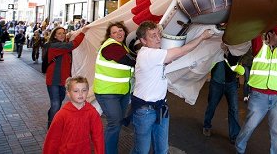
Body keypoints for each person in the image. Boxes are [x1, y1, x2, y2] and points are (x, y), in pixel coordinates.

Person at [131, 21, 214, 154]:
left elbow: (174, 56)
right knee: (141, 150)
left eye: (159, 34)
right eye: (153, 36)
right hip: (145, 111)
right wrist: (202, 37)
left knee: (162, 150)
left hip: (160, 108)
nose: (158, 39)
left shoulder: (157, 53)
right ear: (143, 40)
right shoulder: (148, 54)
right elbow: (180, 51)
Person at [235, 27, 277, 154]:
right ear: (270, 35)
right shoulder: (259, 49)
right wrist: (266, 21)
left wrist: (274, 23)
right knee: (249, 126)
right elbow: (255, 33)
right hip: (258, 97)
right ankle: (239, 147)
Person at [94, 21, 136, 154]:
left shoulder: (123, 47)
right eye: (114, 32)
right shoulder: (111, 46)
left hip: (122, 92)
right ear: (110, 35)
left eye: (120, 30)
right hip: (107, 92)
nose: (118, 33)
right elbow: (130, 61)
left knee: (116, 123)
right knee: (114, 123)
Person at [43, 76, 104, 154]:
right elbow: (52, 139)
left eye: (84, 90)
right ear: (68, 93)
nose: (80, 94)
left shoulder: (92, 112)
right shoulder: (62, 115)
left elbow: (98, 137)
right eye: (76, 91)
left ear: (88, 91)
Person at [44, 26, 87, 128]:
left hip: (63, 80)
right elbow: (72, 45)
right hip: (54, 80)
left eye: (63, 33)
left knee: (58, 103)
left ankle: (52, 119)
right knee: (56, 104)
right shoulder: (54, 46)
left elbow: (66, 44)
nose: (62, 35)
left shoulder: (61, 45)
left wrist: (69, 36)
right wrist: (82, 33)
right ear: (54, 35)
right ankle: (52, 127)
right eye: (59, 33)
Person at [202, 43, 241, 144]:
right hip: (216, 81)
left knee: (234, 109)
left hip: (231, 82)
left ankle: (234, 135)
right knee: (212, 105)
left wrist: (227, 51)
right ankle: (207, 126)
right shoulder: (215, 43)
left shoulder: (235, 47)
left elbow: (235, 61)